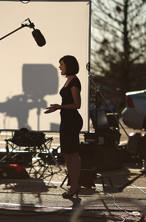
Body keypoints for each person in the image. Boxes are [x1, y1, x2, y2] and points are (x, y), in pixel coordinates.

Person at [44, 55, 83, 199]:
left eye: (61, 64)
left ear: (69, 65)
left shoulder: (74, 82)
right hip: (66, 120)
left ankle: (74, 185)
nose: (60, 67)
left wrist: (59, 106)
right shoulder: (68, 80)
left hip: (72, 120)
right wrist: (58, 107)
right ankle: (73, 185)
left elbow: (77, 104)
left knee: (73, 153)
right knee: (66, 153)